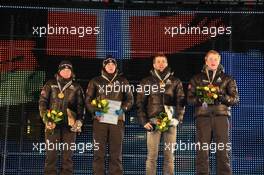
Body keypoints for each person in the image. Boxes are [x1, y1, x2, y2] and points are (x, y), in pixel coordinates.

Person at [187, 50, 239, 175]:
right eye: (210, 59)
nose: (213, 62)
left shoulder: (228, 78)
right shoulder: (196, 78)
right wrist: (201, 98)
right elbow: (189, 100)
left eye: (215, 59)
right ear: (206, 61)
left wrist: (221, 96)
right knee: (202, 151)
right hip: (203, 117)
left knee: (223, 150)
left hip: (221, 117)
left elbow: (235, 99)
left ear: (219, 60)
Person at [136, 53, 185, 175]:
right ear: (154, 64)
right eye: (158, 61)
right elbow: (140, 103)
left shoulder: (175, 81)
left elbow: (181, 101)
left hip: (170, 123)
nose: (161, 64)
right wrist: (144, 121)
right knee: (152, 156)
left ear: (167, 63)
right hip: (153, 122)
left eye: (163, 61)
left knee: (169, 156)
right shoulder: (146, 81)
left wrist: (178, 119)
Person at [85, 56, 134, 175]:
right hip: (99, 120)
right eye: (108, 64)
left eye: (113, 64)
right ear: (104, 66)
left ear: (116, 66)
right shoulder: (95, 81)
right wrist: (95, 111)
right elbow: (87, 100)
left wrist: (122, 109)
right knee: (99, 152)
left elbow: (130, 99)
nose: (111, 66)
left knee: (116, 153)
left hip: (117, 120)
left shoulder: (123, 81)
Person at [39, 60, 85, 175]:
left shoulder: (77, 87)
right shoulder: (50, 84)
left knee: (67, 157)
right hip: (52, 124)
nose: (66, 72)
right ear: (59, 71)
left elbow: (81, 107)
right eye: (63, 69)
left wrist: (79, 120)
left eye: (68, 70)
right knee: (51, 155)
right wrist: (46, 119)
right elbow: (42, 103)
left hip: (70, 125)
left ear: (71, 72)